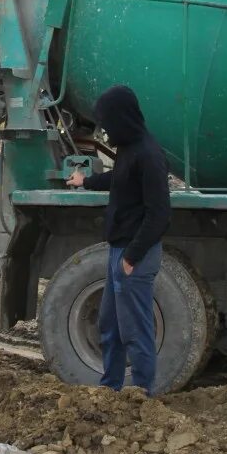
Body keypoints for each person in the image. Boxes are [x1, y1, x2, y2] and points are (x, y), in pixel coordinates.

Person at [67, 86, 170, 394]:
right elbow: (119, 179)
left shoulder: (149, 155)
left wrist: (131, 257)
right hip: (119, 251)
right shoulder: (128, 149)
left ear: (122, 118)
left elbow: (160, 215)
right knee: (109, 327)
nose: (105, 129)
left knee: (136, 332)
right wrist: (87, 181)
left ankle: (142, 397)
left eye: (108, 121)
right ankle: (110, 389)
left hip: (135, 255)